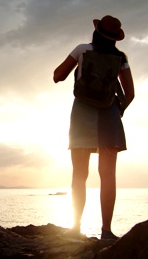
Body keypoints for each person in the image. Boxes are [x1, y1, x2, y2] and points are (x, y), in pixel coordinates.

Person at [53, 15, 135, 240]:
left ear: (96, 31)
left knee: (79, 175)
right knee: (108, 176)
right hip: (109, 117)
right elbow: (130, 94)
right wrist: (118, 110)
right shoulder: (120, 58)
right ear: (115, 37)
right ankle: (106, 232)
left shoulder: (82, 49)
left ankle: (75, 229)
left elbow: (57, 76)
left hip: (81, 115)